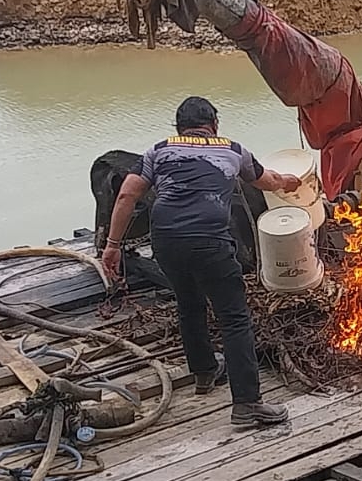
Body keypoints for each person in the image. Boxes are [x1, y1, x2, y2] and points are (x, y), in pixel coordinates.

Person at [102, 96, 300, 428]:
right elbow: (269, 182)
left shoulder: (158, 150)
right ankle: (247, 405)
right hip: (209, 241)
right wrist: (291, 182)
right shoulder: (232, 150)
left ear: (178, 127)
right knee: (235, 318)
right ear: (214, 124)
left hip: (165, 240)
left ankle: (205, 372)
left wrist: (112, 245)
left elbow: (126, 194)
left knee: (188, 302)